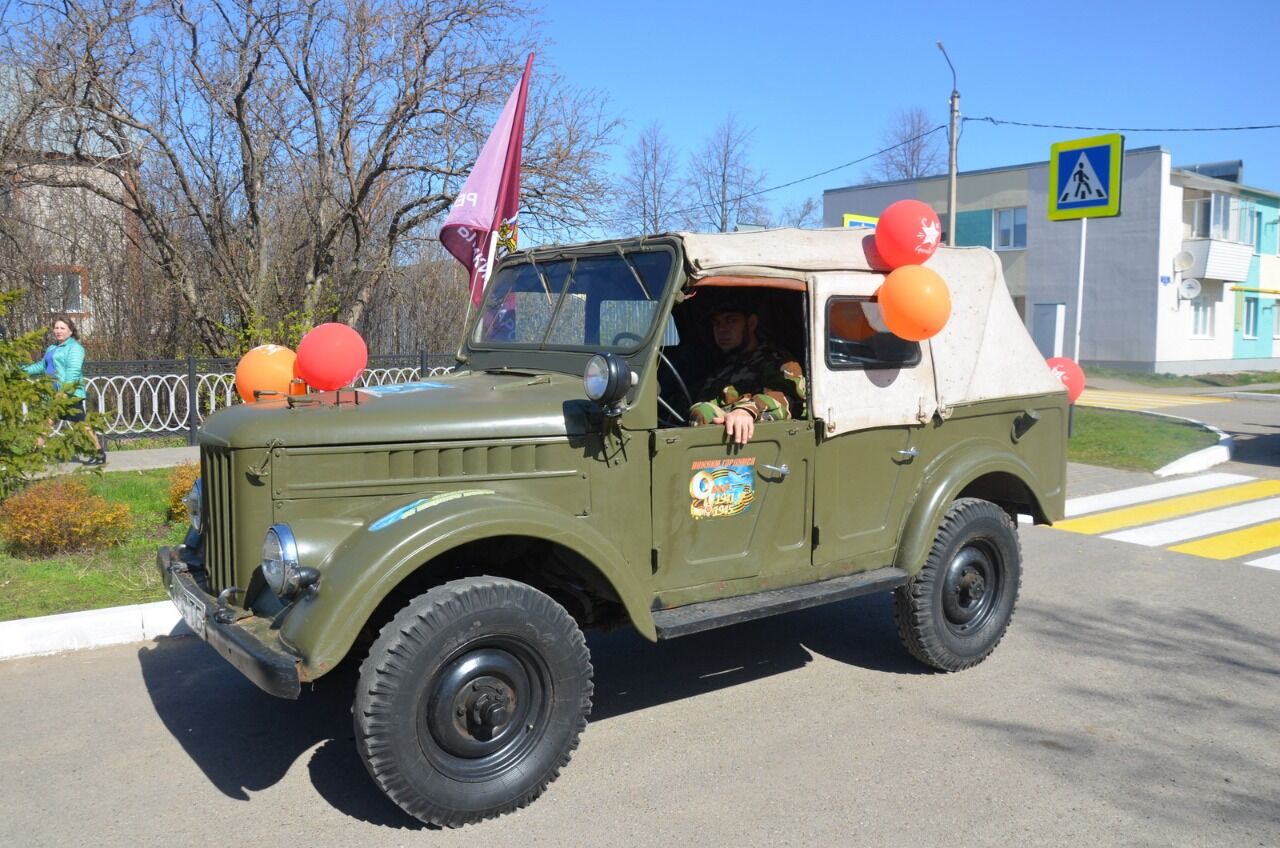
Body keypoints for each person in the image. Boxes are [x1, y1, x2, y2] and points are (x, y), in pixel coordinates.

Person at [688, 295, 806, 446]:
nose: (722, 329)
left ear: (751, 323)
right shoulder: (724, 365)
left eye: (731, 320)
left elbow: (789, 398)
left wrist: (747, 411)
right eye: (717, 323)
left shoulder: (777, 360)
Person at [23, 315, 106, 465]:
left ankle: (99, 453)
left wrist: (64, 392)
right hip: (55, 394)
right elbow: (41, 366)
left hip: (70, 394)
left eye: (62, 328)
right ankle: (35, 454)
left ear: (70, 331)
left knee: (82, 425)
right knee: (48, 423)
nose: (59, 331)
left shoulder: (75, 348)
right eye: (56, 328)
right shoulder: (52, 348)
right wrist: (21, 371)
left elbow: (73, 372)